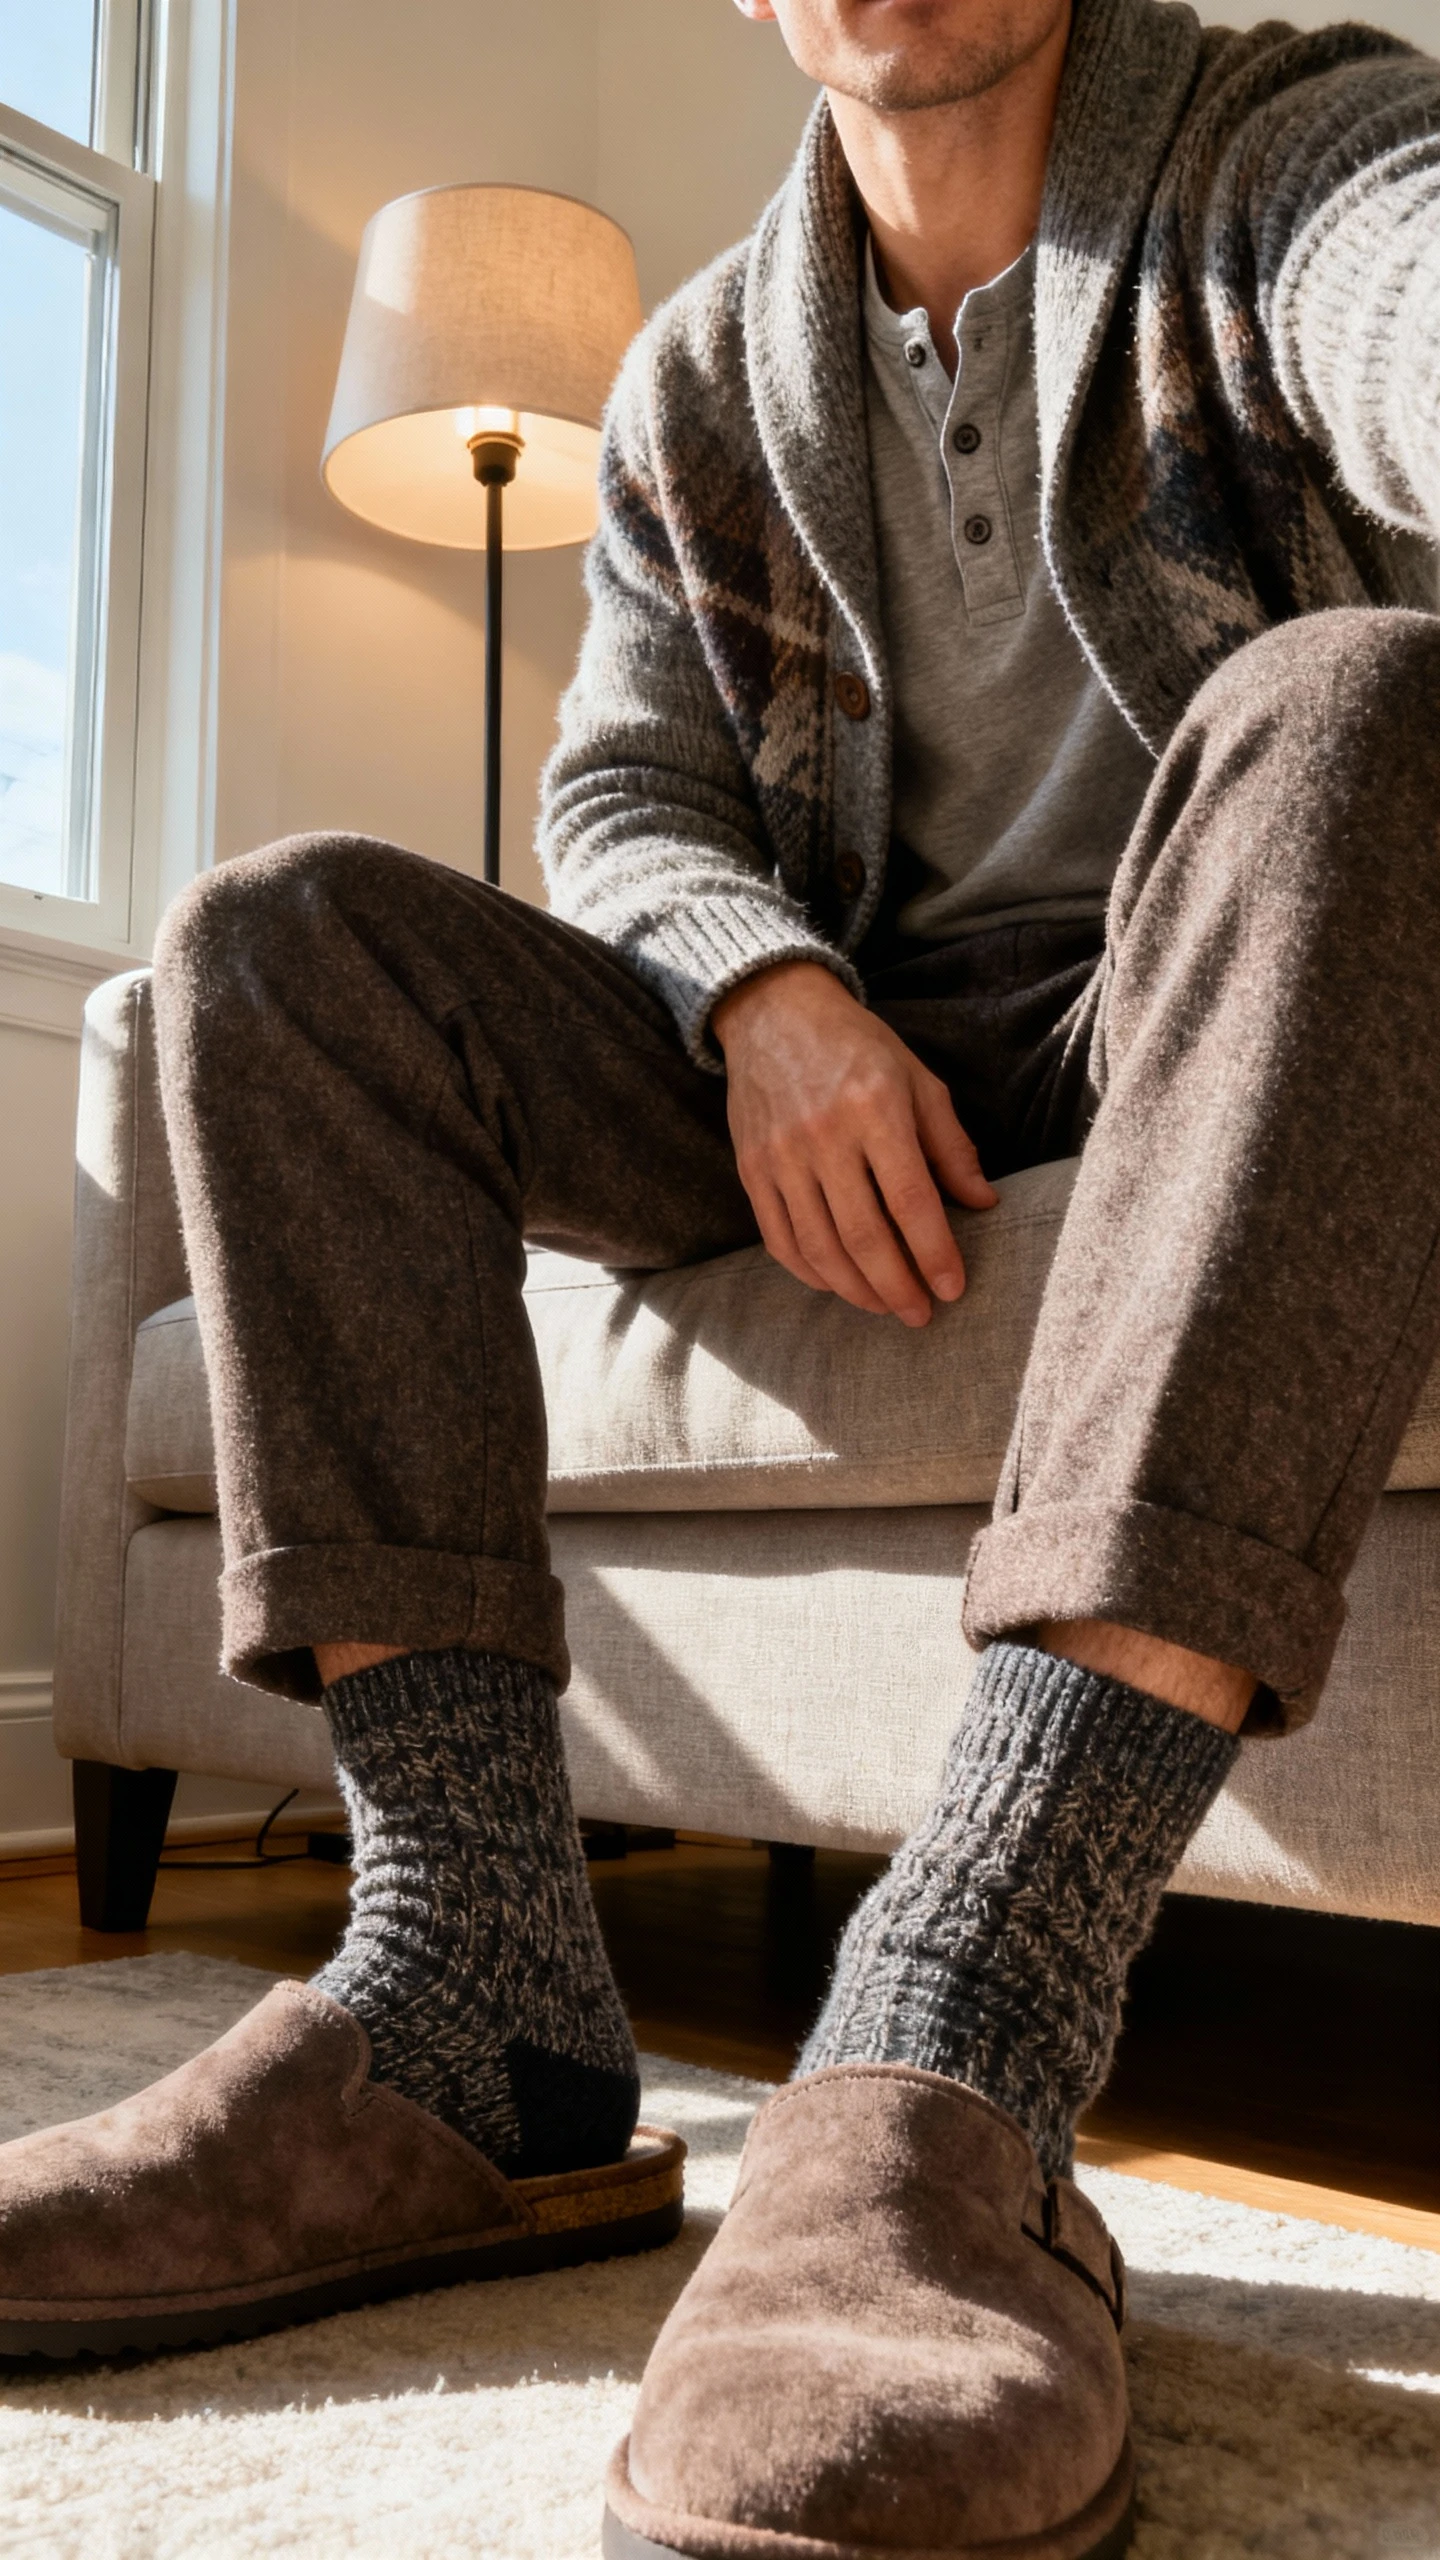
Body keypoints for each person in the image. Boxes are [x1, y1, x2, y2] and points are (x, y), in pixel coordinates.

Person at [2, 0, 1438, 2546]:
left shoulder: (1279, 152)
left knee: (1363, 704)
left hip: (1209, 979)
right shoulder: (695, 377)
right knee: (276, 946)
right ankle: (468, 1997)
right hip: (858, 1038)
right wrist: (762, 991)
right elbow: (626, 787)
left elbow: (1405, 288)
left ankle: (973, 2005)